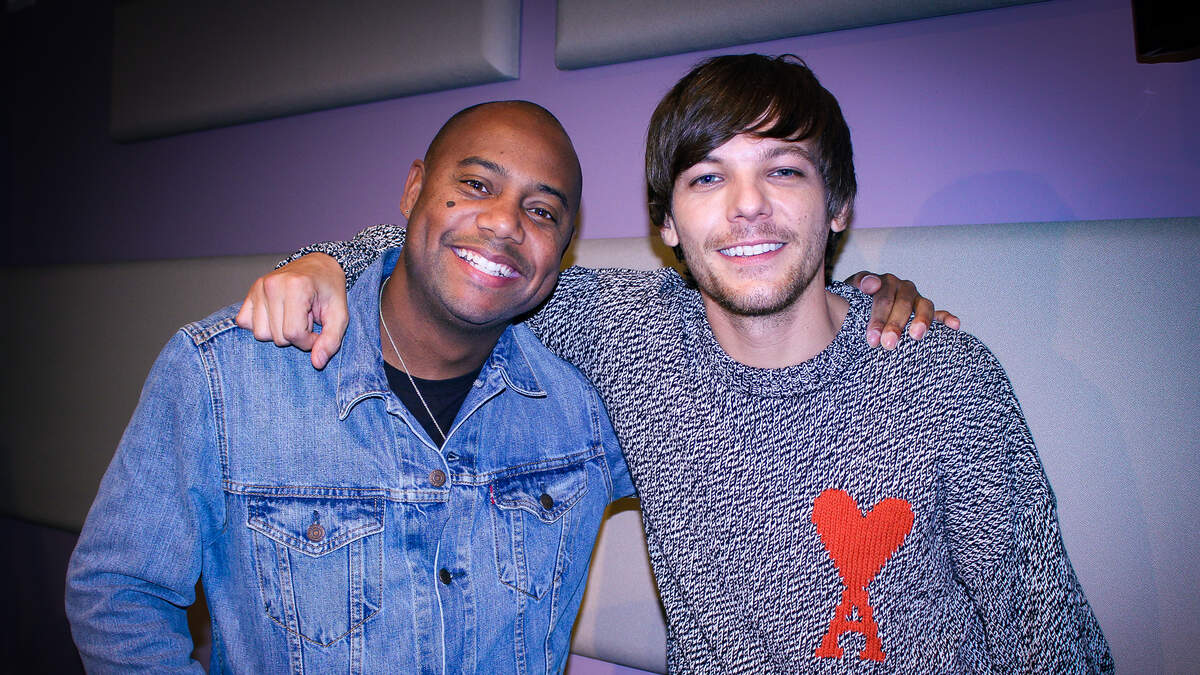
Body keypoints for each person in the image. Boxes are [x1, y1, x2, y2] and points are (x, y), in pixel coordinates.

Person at [241, 54, 1112, 672]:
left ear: (838, 204)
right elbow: (456, 254)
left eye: (784, 172)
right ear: (666, 222)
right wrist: (319, 262)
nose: (747, 208)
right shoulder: (629, 334)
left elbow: (1049, 638)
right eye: (707, 178)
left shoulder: (941, 378)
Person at [66, 101, 636, 673]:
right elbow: (118, 598)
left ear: (563, 249)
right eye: (476, 184)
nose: (507, 222)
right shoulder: (224, 377)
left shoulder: (591, 409)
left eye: (541, 212)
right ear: (413, 189)